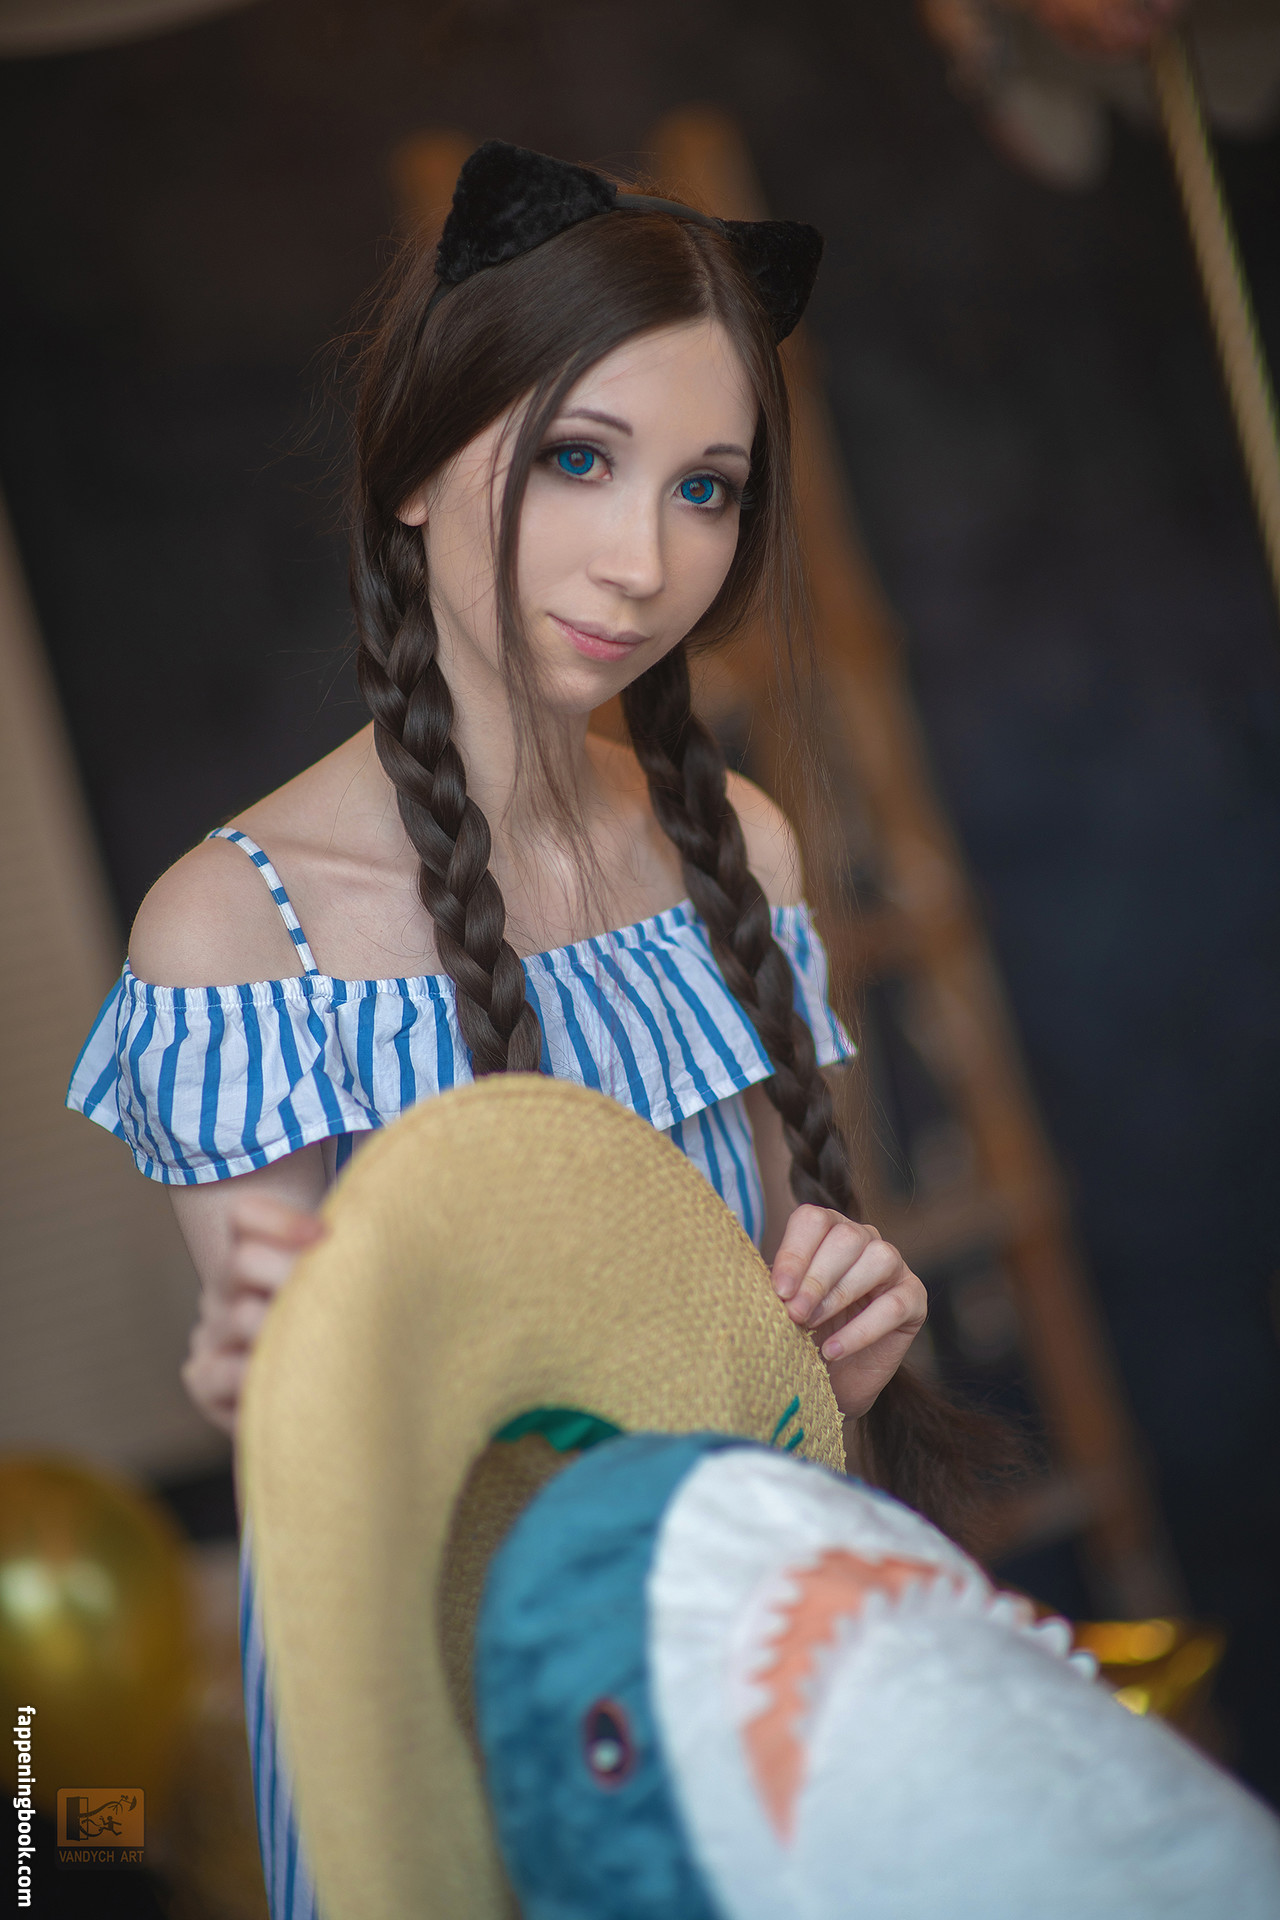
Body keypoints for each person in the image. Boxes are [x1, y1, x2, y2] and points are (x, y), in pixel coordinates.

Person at [68, 140, 986, 1533]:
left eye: (704, 488)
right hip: (461, 1652)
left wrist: (837, 1362)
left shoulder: (741, 849)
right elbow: (331, 1498)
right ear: (415, 467)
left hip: (745, 1606)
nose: (644, 563)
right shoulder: (240, 936)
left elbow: (785, 1380)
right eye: (578, 458)